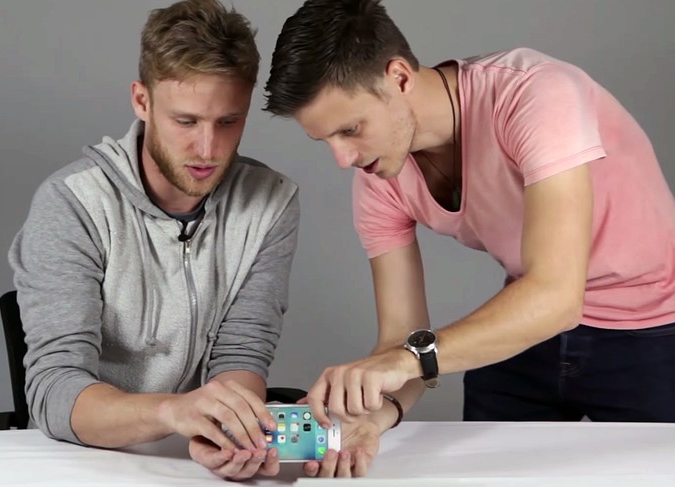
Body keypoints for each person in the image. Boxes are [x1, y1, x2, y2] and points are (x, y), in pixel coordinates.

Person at [263, 0, 675, 478]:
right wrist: (377, 415)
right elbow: (401, 339)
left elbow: (558, 297)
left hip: (654, 331)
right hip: (525, 335)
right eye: (326, 141)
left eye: (351, 129)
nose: (342, 159)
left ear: (399, 77)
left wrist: (407, 359)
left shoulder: (535, 94)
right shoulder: (378, 177)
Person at [8, 0, 300, 480]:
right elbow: (55, 388)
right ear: (141, 101)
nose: (208, 149)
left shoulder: (270, 203)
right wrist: (173, 412)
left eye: (229, 122)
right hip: (83, 460)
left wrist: (231, 433)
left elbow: (241, 353)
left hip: (186, 461)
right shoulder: (71, 202)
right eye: (186, 121)